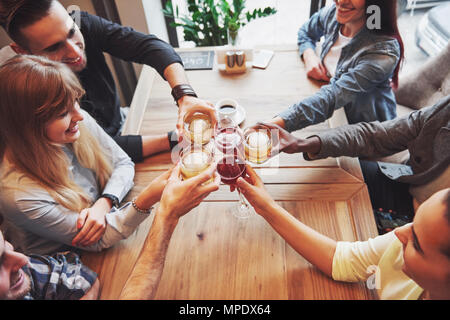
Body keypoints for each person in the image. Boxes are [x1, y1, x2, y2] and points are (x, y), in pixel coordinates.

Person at [0, 54, 214, 256]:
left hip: (113, 220)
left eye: (75, 101)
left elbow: (122, 162)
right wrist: (149, 197)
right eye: (62, 113)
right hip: (71, 262)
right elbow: (99, 239)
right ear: (27, 128)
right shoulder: (18, 196)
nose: (79, 116)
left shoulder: (73, 121)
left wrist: (105, 202)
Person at [0, 0, 217, 163]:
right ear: (23, 51)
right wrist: (173, 139)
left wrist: (185, 96)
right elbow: (95, 146)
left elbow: (150, 47)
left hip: (123, 123)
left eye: (72, 32)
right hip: (94, 162)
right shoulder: (23, 88)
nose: (75, 51)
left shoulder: (79, 20)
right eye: (53, 47)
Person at [0, 163, 220, 300]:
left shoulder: (21, 273)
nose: (22, 259)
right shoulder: (18, 197)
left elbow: (81, 280)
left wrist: (109, 201)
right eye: (0, 261)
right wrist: (166, 215)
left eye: (6, 246)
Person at [236, 166, 450, 300]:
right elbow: (343, 260)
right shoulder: (403, 241)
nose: (400, 233)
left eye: (418, 245)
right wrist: (266, 207)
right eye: (414, 222)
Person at [257, 95, 450, 233]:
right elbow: (375, 136)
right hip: (406, 182)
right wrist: (302, 143)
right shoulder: (445, 110)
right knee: (324, 181)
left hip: (426, 227)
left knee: (330, 231)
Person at [268, 0, 404, 132]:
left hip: (368, 136)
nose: (341, 1)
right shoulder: (334, 14)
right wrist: (309, 55)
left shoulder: (382, 52)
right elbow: (306, 32)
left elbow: (331, 98)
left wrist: (273, 126)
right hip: (334, 117)